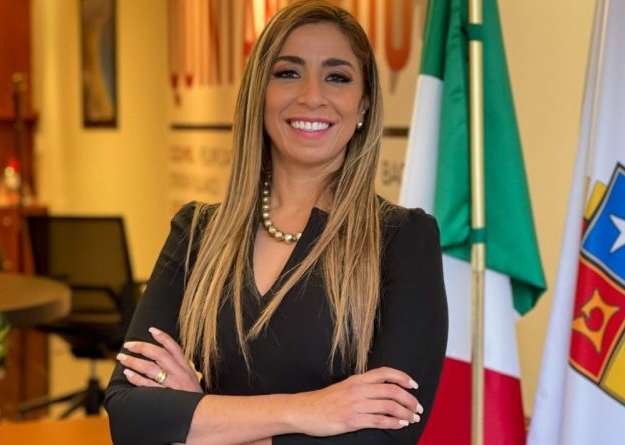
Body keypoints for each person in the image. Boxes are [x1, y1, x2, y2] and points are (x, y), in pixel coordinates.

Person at [104, 2, 448, 444]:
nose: (311, 96)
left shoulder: (403, 241)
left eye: (337, 77)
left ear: (363, 105)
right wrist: (309, 410)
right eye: (288, 73)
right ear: (259, 95)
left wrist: (201, 416)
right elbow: (129, 415)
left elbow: (386, 437)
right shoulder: (196, 234)